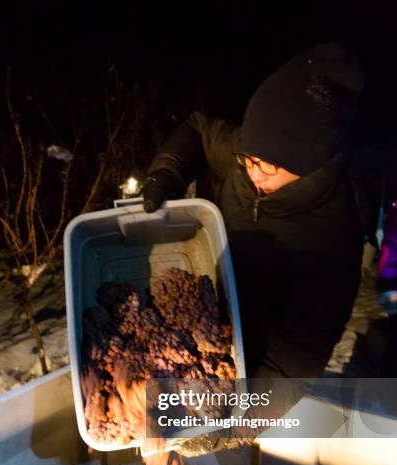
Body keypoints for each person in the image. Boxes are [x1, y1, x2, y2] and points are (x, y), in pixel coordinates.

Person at [141, 41, 365, 386]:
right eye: (249, 159)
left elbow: (295, 363)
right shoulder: (249, 156)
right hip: (206, 309)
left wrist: (237, 423)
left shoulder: (332, 241)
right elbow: (200, 128)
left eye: (270, 166)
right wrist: (167, 172)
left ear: (309, 164)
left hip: (253, 361)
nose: (254, 173)